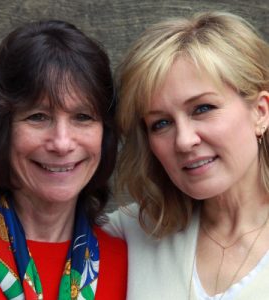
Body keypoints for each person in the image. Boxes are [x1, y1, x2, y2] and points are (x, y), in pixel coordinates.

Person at [103, 11, 269, 299]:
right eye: (161, 123)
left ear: (260, 112)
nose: (184, 140)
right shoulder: (128, 234)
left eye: (202, 108)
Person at [0, 20, 127, 300]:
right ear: (1, 128)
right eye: (38, 117)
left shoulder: (129, 265)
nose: (62, 143)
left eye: (83, 117)